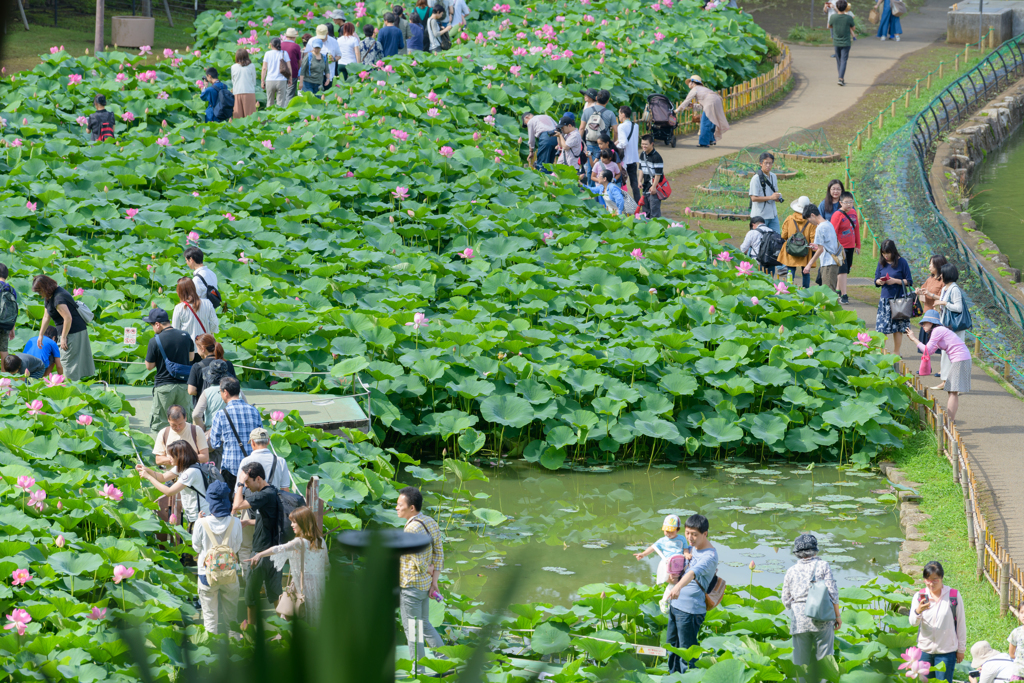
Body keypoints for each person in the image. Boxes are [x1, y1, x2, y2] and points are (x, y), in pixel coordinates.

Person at [247, 506, 328, 625]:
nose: (291, 525)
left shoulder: (299, 542)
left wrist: (259, 555)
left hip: (302, 586)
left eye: (294, 522)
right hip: (318, 587)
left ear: (303, 523)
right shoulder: (321, 541)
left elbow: (279, 548)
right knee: (314, 619)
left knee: (295, 618)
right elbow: (326, 565)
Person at [781, 534, 841, 683]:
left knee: (800, 664)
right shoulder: (823, 565)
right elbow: (832, 593)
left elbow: (786, 600)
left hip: (799, 619)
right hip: (822, 617)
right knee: (825, 661)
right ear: (815, 550)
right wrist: (837, 616)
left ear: (797, 552)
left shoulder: (791, 571)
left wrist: (797, 605)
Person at [231, 461, 282, 630]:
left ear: (258, 478)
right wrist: (250, 521)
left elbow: (237, 506)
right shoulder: (271, 491)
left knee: (250, 594)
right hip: (274, 551)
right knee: (275, 593)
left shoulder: (263, 495)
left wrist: (239, 483)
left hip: (260, 551)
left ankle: (250, 631)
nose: (246, 486)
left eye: (247, 482)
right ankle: (284, 629)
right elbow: (267, 517)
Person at [665, 514, 718, 673]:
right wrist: (671, 579)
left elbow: (692, 574)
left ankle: (690, 678)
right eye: (687, 533)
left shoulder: (710, 555)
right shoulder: (692, 549)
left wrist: (677, 587)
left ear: (705, 534)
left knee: (687, 654)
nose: (690, 537)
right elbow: (682, 571)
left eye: (694, 534)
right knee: (672, 649)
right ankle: (672, 678)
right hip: (676, 605)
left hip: (690, 610)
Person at [397, 486, 445, 659]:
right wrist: (434, 582)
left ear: (411, 507)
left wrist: (427, 568)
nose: (396, 508)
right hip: (425, 586)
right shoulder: (430, 521)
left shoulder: (410, 529)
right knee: (424, 624)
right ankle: (445, 660)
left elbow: (417, 559)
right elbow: (439, 552)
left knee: (412, 629)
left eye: (399, 504)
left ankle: (418, 669)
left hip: (411, 585)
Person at [191, 480, 241, 635]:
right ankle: (235, 647)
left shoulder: (201, 523)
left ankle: (210, 652)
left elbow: (196, 547)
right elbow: (237, 547)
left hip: (206, 574)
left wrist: (198, 522)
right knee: (232, 617)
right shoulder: (236, 522)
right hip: (230, 573)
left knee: (210, 617)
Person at [908, 311, 971, 422]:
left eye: (924, 323)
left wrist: (913, 339)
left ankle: (950, 421)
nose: (922, 326)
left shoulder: (938, 330)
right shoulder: (939, 332)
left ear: (932, 323)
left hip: (960, 359)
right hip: (961, 359)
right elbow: (929, 352)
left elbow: (926, 350)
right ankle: (951, 420)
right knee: (952, 391)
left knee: (952, 391)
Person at [908, 561, 966, 682]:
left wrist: (961, 650)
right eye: (928, 579)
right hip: (924, 651)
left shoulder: (953, 596)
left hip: (946, 651)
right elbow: (913, 623)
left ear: (942, 578)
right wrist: (918, 611)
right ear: (924, 579)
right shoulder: (919, 596)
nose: (931, 583)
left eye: (935, 580)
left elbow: (961, 624)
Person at [32, 275, 94, 381]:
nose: (40, 295)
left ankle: (69, 390)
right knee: (67, 361)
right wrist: (40, 335)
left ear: (45, 288)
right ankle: (69, 387)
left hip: (73, 331)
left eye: (40, 292)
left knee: (67, 362)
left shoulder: (58, 297)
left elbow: (68, 318)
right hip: (66, 331)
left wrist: (64, 337)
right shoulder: (49, 296)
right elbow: (46, 316)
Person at [144, 307, 196, 434]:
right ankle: (185, 450)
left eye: (152, 325)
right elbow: (191, 357)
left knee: (161, 423)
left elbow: (149, 366)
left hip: (164, 387)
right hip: (184, 386)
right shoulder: (185, 336)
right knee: (184, 422)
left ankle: (163, 451)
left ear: (157, 324)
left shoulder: (155, 340)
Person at [137, 440, 209, 528]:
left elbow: (169, 492)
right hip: (195, 513)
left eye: (171, 455)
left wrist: (148, 477)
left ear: (180, 456)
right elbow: (162, 477)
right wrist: (147, 469)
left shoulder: (190, 472)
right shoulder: (184, 466)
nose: (168, 457)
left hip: (202, 514)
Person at [209, 376, 263, 488]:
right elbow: (260, 437)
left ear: (225, 392)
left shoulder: (221, 414)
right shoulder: (254, 411)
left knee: (232, 503)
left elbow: (214, 443)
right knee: (251, 501)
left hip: (231, 467)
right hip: (252, 465)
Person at [874, 239, 913, 357]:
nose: (885, 256)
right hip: (885, 300)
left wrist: (894, 281)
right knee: (882, 327)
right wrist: (880, 281)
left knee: (897, 327)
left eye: (888, 253)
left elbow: (909, 281)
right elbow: (875, 280)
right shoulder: (881, 263)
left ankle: (896, 352)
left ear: (893, 251)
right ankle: (882, 351)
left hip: (898, 300)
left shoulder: (902, 262)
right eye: (883, 253)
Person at [933, 263, 968, 391]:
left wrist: (944, 303)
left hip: (955, 328)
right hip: (946, 326)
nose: (940, 275)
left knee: (956, 356)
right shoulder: (945, 289)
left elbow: (958, 308)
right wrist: (939, 306)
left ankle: (956, 386)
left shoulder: (955, 289)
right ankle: (945, 381)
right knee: (945, 354)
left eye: (942, 273)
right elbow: (945, 306)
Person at [674, 74, 730, 147]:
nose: (688, 84)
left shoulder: (695, 89)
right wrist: (694, 106)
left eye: (689, 82)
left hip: (710, 102)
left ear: (692, 83)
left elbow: (686, 101)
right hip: (717, 100)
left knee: (705, 122)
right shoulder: (704, 88)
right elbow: (705, 103)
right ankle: (711, 139)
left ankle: (704, 143)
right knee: (712, 121)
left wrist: (677, 110)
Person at [634, 514, 691, 584]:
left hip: (679, 562)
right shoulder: (662, 540)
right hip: (668, 563)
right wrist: (643, 554)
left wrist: (687, 554)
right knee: (671, 581)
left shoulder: (682, 539)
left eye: (671, 531)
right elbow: (653, 548)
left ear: (678, 530)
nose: (669, 534)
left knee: (682, 578)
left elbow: (685, 549)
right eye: (666, 531)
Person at [193, 360, 247, 431]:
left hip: (213, 429)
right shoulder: (238, 391)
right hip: (235, 430)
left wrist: (203, 428)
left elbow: (196, 415)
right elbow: (246, 409)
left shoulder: (207, 392)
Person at [803, 204, 842, 294]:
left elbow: (820, 250)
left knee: (828, 293)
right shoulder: (828, 224)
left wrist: (809, 264)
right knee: (828, 291)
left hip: (828, 264)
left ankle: (831, 308)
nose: (810, 222)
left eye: (808, 220)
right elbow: (828, 245)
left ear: (812, 215)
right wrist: (817, 247)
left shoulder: (820, 227)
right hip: (833, 262)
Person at [188, 334, 236, 406]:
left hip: (205, 408)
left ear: (203, 349)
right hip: (226, 407)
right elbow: (234, 386)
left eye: (197, 348)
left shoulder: (197, 366)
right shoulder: (228, 364)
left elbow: (191, 391)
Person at [779, 197, 817, 287]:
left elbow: (783, 235)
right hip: (805, 251)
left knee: (790, 271)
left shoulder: (789, 219)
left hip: (791, 250)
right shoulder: (811, 221)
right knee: (806, 272)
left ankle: (789, 291)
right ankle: (805, 292)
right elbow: (813, 240)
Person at [832, 192, 860, 304]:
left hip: (850, 247)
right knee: (842, 271)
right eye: (846, 202)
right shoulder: (837, 215)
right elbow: (833, 232)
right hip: (840, 248)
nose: (849, 204)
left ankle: (838, 290)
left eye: (851, 202)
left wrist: (858, 245)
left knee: (846, 270)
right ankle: (844, 295)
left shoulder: (853, 213)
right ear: (840, 203)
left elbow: (856, 229)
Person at [581, 89, 616, 178]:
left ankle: (591, 189)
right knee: (605, 168)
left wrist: (581, 143)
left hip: (590, 143)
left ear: (596, 98)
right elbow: (615, 131)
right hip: (604, 145)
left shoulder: (587, 111)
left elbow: (581, 128)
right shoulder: (610, 113)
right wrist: (613, 143)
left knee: (590, 169)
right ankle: (603, 188)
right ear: (607, 101)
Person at [172, 278, 219, 342]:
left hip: (187, 347)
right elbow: (214, 324)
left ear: (179, 292)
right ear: (194, 288)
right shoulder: (207, 303)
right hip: (205, 346)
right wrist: (208, 332)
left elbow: (175, 331)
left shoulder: (179, 308)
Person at [749, 152, 781, 234]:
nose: (768, 166)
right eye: (766, 163)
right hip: (760, 216)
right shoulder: (755, 179)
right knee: (757, 240)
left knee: (776, 238)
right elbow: (753, 198)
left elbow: (774, 192)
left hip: (773, 215)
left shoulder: (774, 176)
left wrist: (777, 197)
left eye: (770, 163)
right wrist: (771, 197)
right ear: (760, 164)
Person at [617, 105, 641, 202]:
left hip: (624, 159)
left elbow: (624, 143)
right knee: (634, 183)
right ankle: (638, 203)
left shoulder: (621, 126)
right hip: (634, 157)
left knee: (622, 182)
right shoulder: (636, 126)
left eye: (619, 114)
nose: (618, 116)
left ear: (623, 114)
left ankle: (624, 203)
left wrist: (616, 147)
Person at [829, 0, 856, 86]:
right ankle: (841, 78)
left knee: (838, 60)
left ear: (837, 7)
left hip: (836, 42)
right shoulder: (849, 18)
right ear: (846, 8)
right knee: (844, 60)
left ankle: (840, 77)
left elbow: (830, 26)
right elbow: (854, 28)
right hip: (846, 42)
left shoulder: (833, 17)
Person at [261, 37, 292, 108]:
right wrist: (290, 78)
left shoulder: (267, 54)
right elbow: (289, 67)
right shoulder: (284, 53)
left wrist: (262, 80)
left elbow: (264, 68)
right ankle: (279, 118)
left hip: (270, 80)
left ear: (271, 44)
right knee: (281, 103)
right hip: (282, 80)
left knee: (269, 102)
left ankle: (269, 119)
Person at [639, 135, 665, 219]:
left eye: (646, 144)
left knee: (654, 212)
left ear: (652, 144)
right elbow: (641, 169)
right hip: (645, 186)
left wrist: (654, 187)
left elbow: (658, 174)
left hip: (655, 188)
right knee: (645, 211)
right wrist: (639, 181)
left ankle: (656, 229)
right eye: (642, 144)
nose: (643, 146)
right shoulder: (642, 154)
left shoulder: (657, 157)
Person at [231, 49, 257, 119]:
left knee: (238, 118)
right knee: (250, 117)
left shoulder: (233, 67)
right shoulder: (251, 66)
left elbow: (233, 81)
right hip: (249, 92)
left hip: (237, 92)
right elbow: (254, 81)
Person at [0, 264, 17, 362]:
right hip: (6, 323)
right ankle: (4, 376)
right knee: (3, 350)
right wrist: (12, 329)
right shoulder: (11, 290)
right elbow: (13, 311)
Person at [282, 28, 303, 99]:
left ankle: (280, 109)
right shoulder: (296, 46)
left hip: (280, 72)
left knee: (282, 95)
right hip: (293, 73)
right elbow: (299, 61)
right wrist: (298, 71)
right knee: (289, 95)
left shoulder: (280, 45)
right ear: (294, 37)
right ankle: (287, 109)